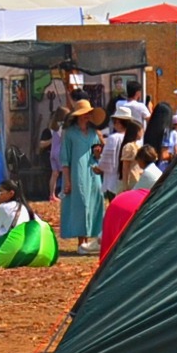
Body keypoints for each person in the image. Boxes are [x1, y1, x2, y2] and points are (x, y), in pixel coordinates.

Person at [56, 100, 105, 252]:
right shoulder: (69, 133)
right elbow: (65, 158)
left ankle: (92, 240)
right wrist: (67, 180)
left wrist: (98, 151)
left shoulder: (93, 133)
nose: (87, 116)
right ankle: (80, 241)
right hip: (77, 172)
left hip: (93, 171)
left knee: (95, 201)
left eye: (88, 114)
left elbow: (99, 152)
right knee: (80, 204)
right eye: (84, 114)